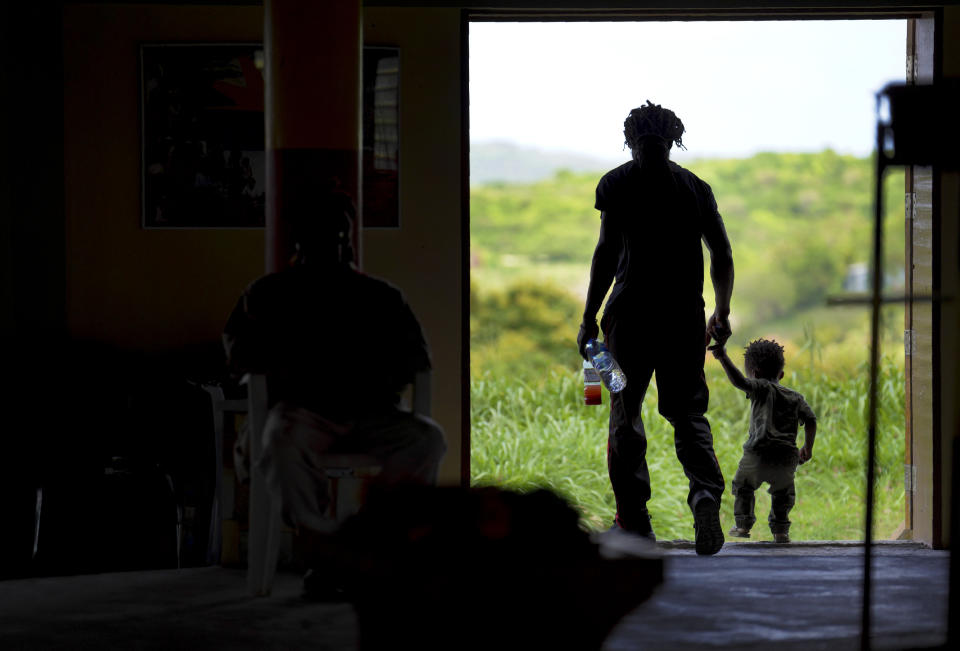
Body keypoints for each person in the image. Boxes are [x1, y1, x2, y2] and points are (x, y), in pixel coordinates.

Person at [222, 190, 446, 590]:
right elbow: (241, 356)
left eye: (337, 233)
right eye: (317, 234)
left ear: (348, 238)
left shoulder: (381, 296)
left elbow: (417, 361)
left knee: (427, 439)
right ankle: (324, 549)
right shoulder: (268, 294)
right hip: (300, 411)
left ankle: (370, 537)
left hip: (374, 413)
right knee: (278, 443)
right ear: (297, 240)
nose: (330, 243)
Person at [578, 100, 734, 555]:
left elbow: (606, 254)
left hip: (626, 321)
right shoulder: (695, 189)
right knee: (689, 415)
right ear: (673, 140)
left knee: (624, 413)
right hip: (684, 321)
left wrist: (588, 318)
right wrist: (721, 311)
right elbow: (721, 254)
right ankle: (705, 496)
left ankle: (634, 521)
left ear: (630, 140)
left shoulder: (617, 184)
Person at [710, 338, 817, 543]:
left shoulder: (760, 387)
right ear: (782, 374)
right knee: (782, 494)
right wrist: (807, 447)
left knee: (743, 486)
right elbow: (811, 419)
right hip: (786, 456)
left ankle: (743, 525)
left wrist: (723, 356)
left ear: (756, 375)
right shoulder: (796, 397)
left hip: (758, 453)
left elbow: (739, 381)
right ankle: (780, 531)